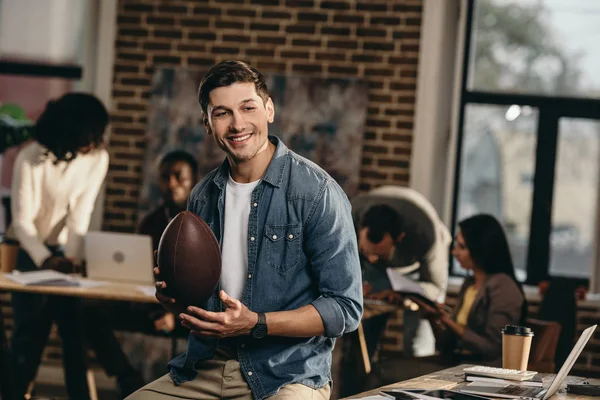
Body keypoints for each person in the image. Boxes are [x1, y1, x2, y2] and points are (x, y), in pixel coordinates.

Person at [126, 60, 363, 400]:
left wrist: (257, 322)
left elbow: (346, 308)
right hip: (206, 366)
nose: (237, 124)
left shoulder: (316, 192)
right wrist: (175, 300)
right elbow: (200, 305)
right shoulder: (202, 196)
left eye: (247, 108)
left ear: (269, 109)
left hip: (288, 374)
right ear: (207, 125)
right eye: (222, 113)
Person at [7, 93, 110, 399]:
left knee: (75, 333)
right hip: (28, 251)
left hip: (65, 253)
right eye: (88, 136)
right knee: (29, 335)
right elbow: (22, 222)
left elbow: (81, 217)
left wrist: (73, 260)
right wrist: (44, 259)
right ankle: (17, 393)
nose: (94, 143)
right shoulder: (30, 158)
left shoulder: (97, 159)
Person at [351, 186, 451, 359]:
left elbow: (436, 288)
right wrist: (354, 284)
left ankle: (419, 376)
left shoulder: (428, 234)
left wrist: (404, 294)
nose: (373, 259)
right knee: (363, 333)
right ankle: (360, 379)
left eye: (379, 254)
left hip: (416, 274)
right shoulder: (348, 217)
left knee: (417, 340)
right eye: (367, 252)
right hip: (379, 270)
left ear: (399, 238)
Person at [419, 214, 527, 366]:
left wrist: (449, 322)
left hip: (479, 370)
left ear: (481, 248)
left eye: (462, 247)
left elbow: (492, 349)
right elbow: (446, 345)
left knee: (385, 372)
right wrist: (433, 317)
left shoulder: (503, 286)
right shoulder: (470, 284)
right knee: (386, 367)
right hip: (455, 363)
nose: (454, 252)